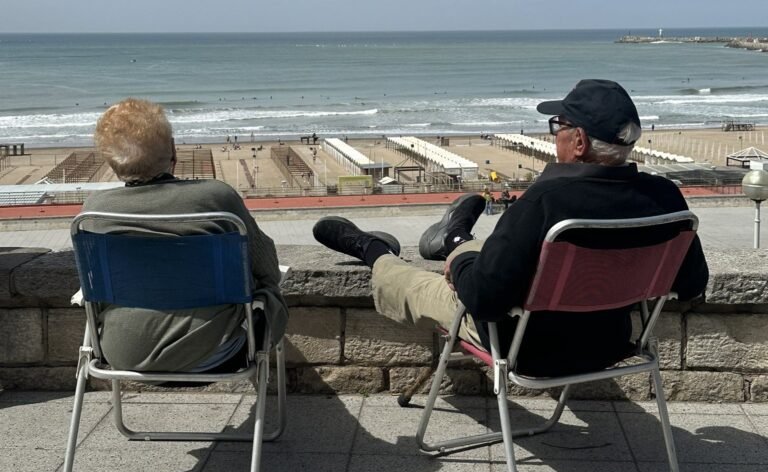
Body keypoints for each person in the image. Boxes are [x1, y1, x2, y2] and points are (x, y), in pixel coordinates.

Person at [312, 79, 708, 377]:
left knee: (413, 284)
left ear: (580, 141)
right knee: (500, 250)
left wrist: (460, 269)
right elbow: (692, 285)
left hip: (525, 348)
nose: (555, 136)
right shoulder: (667, 200)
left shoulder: (547, 201)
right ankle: (456, 236)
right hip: (613, 344)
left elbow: (484, 300)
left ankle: (375, 249)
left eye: (558, 126)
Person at [83, 98, 287, 373]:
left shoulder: (95, 212)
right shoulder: (215, 197)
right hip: (216, 354)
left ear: (111, 162)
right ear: (173, 151)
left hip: (120, 355)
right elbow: (267, 269)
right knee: (268, 297)